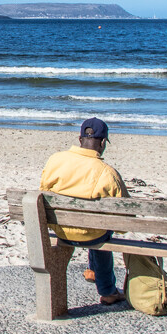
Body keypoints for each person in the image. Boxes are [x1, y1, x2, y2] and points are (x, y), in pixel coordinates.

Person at [40, 117, 128, 305]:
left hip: (61, 229)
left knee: (96, 225)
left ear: (80, 139)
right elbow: (125, 218)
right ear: (103, 143)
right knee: (102, 230)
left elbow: (44, 191)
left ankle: (92, 270)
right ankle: (107, 290)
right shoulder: (107, 173)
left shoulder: (56, 160)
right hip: (91, 234)